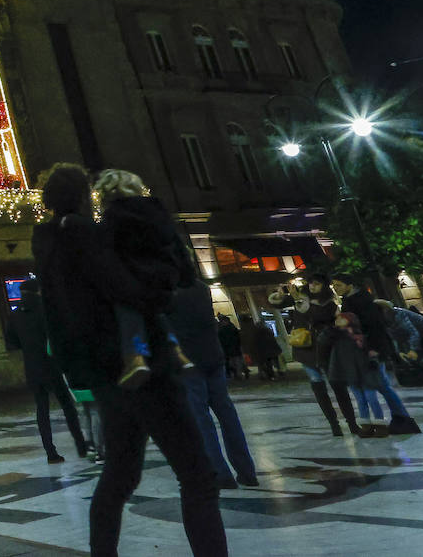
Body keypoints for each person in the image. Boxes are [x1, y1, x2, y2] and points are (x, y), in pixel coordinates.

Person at [33, 163, 227, 557]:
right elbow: (123, 287)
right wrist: (160, 296)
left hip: (107, 376)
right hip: (142, 371)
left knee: (121, 474)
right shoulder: (85, 236)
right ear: (84, 196)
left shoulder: (50, 243)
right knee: (198, 476)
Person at [92, 169, 197, 389]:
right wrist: (184, 277)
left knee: (128, 310)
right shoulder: (157, 212)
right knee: (156, 312)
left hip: (134, 280)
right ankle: (177, 352)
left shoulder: (113, 216)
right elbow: (178, 247)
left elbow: (107, 254)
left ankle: (135, 357)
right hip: (163, 281)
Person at [168, 280, 258, 489]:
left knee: (201, 419)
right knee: (227, 414)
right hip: (213, 357)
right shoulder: (200, 287)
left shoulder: (166, 292)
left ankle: (220, 473)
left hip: (188, 362)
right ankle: (247, 471)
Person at [3, 280, 88, 464]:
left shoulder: (15, 315)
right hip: (53, 365)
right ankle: (81, 444)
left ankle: (50, 452)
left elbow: (12, 342)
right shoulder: (47, 310)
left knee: (42, 410)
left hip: (32, 368)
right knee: (67, 406)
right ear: (38, 291)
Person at [268, 275, 359, 436]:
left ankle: (351, 422)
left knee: (338, 386)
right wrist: (279, 296)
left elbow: (317, 316)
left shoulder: (328, 303)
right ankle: (334, 425)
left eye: (316, 284)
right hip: (305, 349)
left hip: (327, 348)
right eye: (310, 283)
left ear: (323, 286)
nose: (312, 287)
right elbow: (275, 304)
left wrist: (300, 302)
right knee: (318, 387)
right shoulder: (300, 299)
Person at [334, 275, 422, 434]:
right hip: (363, 350)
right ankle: (400, 418)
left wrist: (373, 350)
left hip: (372, 350)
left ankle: (402, 419)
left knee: (382, 386)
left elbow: (374, 327)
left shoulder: (362, 301)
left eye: (339, 285)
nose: (336, 288)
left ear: (350, 285)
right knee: (382, 386)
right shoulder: (350, 301)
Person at [320, 312, 388, 436]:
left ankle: (380, 425)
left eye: (341, 318)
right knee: (360, 400)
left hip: (366, 372)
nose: (338, 320)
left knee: (371, 399)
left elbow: (371, 349)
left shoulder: (360, 334)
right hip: (350, 373)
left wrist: (373, 361)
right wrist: (330, 327)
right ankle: (366, 427)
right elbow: (323, 340)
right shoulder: (335, 336)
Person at [376, 299, 423, 410]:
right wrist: (401, 350)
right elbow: (395, 338)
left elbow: (412, 333)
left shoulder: (398, 315)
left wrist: (413, 349)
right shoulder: (386, 320)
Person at [216, 316, 247, 380]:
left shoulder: (223, 330)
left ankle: (237, 374)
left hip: (230, 349)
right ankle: (239, 373)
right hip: (233, 349)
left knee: (233, 363)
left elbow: (222, 340)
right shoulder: (232, 328)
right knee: (236, 363)